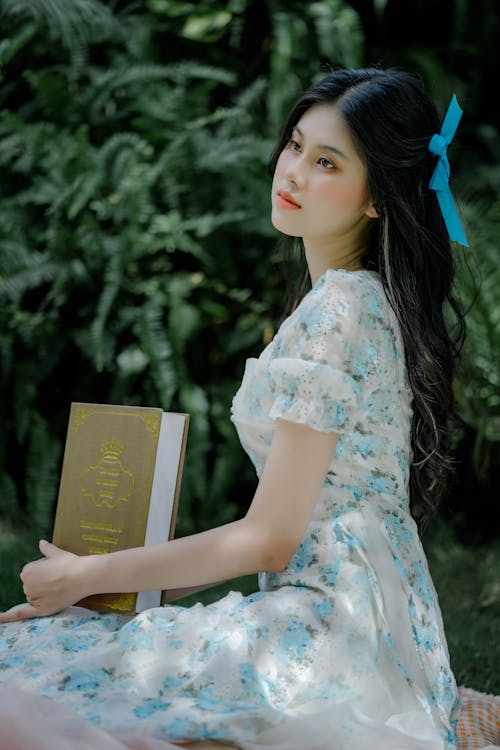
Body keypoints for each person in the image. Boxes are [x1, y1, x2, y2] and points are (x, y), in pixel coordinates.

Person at [0, 67, 468, 750]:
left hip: (334, 633)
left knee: (52, 673)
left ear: (377, 200)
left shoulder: (339, 313)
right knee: (71, 657)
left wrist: (88, 574)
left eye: (328, 161)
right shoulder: (353, 299)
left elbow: (268, 537)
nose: (295, 171)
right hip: (376, 621)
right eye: (296, 145)